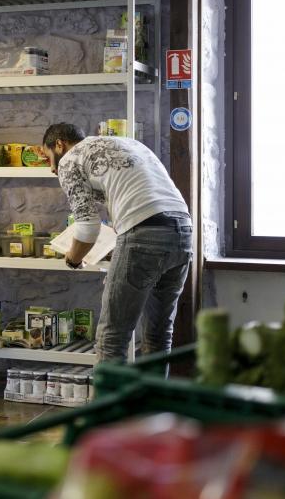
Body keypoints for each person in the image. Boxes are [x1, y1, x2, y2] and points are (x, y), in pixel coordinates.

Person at [41, 123, 192, 362]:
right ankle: (152, 400)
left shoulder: (70, 159)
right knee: (159, 334)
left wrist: (73, 258)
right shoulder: (127, 144)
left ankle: (111, 401)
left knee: (112, 337)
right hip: (182, 231)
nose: (51, 168)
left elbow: (88, 227)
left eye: (49, 157)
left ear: (59, 144)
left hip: (143, 235)